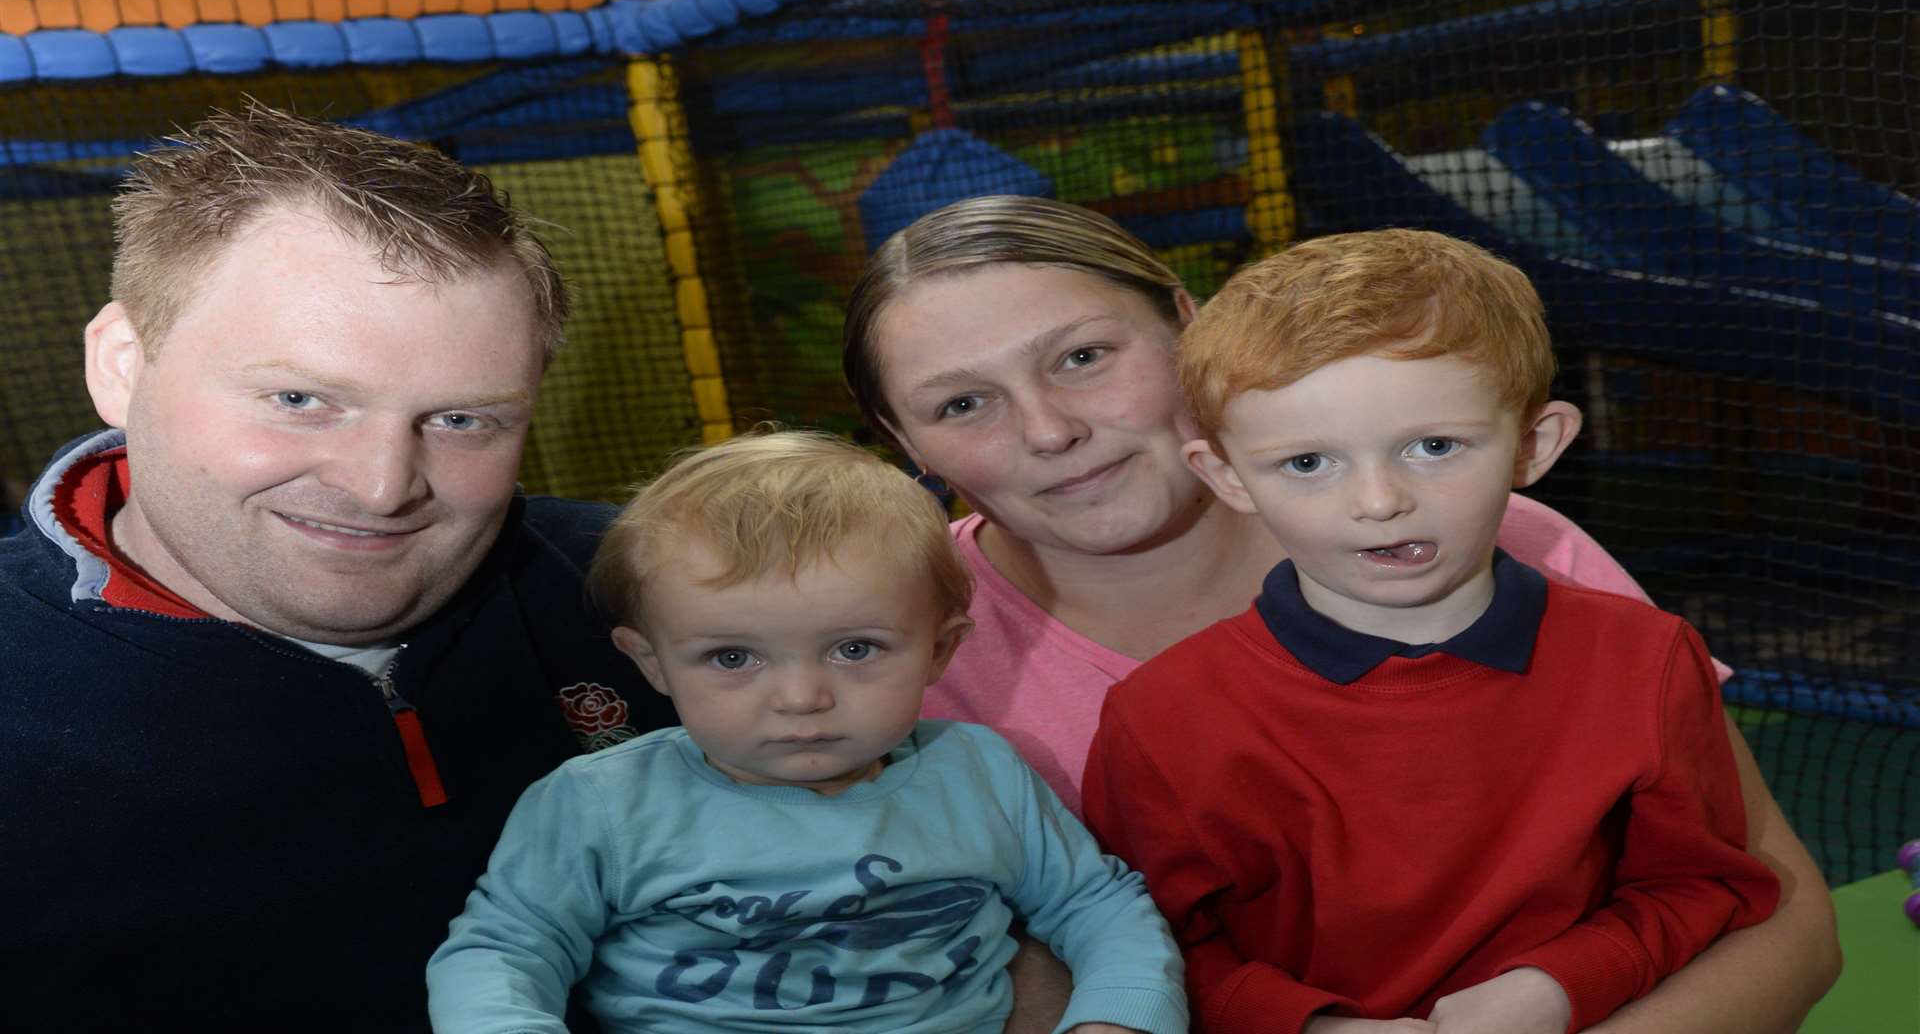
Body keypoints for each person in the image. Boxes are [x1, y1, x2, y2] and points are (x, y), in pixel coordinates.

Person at [841, 195, 1840, 1033]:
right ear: (904, 442)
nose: (1051, 431)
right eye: (961, 405)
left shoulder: (1511, 545)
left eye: (1084, 356)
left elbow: (1776, 915)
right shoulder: (882, 664)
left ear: (1190, 328)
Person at [0, 103, 675, 1030]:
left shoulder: (657, 588)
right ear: (123, 364)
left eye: (462, 420)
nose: (382, 487)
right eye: (300, 398)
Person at [1080, 229, 1781, 1032]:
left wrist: (1557, 986)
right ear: (1229, 477)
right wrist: (1312, 1026)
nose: (1378, 501)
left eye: (1434, 446)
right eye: (1308, 463)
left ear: (1533, 445)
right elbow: (1144, 947)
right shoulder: (1162, 719)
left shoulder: (1644, 659)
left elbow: (1701, 882)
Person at [426, 429, 1188, 1034]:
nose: (801, 697)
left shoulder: (981, 773)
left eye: (855, 649)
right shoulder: (598, 805)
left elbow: (1098, 906)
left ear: (942, 650)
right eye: (732, 657)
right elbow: (502, 952)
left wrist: (1117, 1016)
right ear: (651, 663)